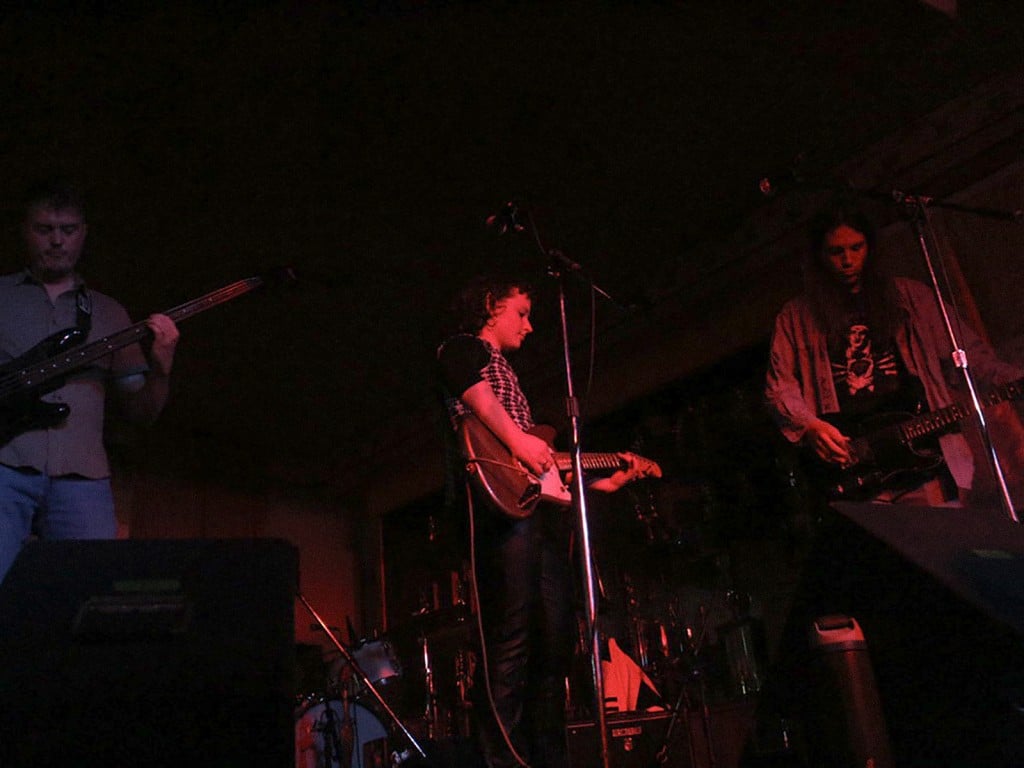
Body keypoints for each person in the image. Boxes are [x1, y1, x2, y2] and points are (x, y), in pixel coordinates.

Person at [437, 274, 651, 768]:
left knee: (553, 641)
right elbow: (476, 398)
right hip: (500, 511)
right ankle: (501, 759)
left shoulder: (510, 380)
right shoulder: (463, 349)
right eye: (521, 313)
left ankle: (549, 756)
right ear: (491, 306)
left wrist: (601, 480)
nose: (530, 326)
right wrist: (516, 440)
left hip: (537, 512)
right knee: (509, 639)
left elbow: (542, 461)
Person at [765, 195, 1024, 507]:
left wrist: (1015, 378)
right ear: (820, 256)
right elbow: (778, 386)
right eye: (836, 251)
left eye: (856, 248)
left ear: (870, 248)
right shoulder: (795, 317)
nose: (847, 260)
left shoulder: (911, 297)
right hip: (853, 461)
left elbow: (973, 355)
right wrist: (809, 425)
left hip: (927, 457)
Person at [0, 179, 180, 583]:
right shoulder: (2, 298)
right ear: (25, 231)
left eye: (68, 230)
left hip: (83, 480)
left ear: (84, 233)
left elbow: (140, 411)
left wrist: (162, 367)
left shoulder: (110, 313)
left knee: (92, 589)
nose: (57, 242)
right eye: (44, 230)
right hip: (6, 469)